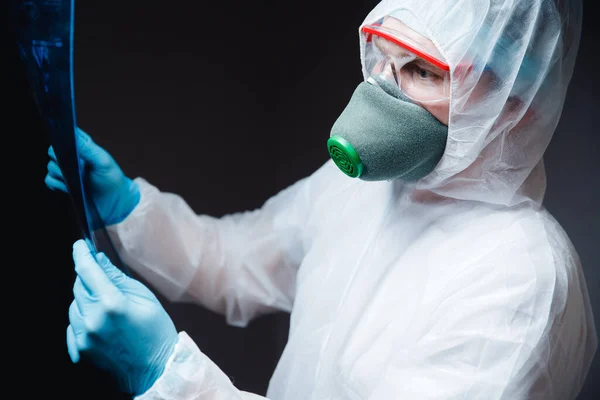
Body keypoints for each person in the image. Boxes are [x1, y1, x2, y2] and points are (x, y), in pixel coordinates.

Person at [45, 1, 598, 399]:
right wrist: (127, 208)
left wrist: (170, 377)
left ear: (513, 105)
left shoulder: (520, 283)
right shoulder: (366, 185)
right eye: (381, 58)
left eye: (422, 71)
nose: (379, 91)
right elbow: (238, 260)